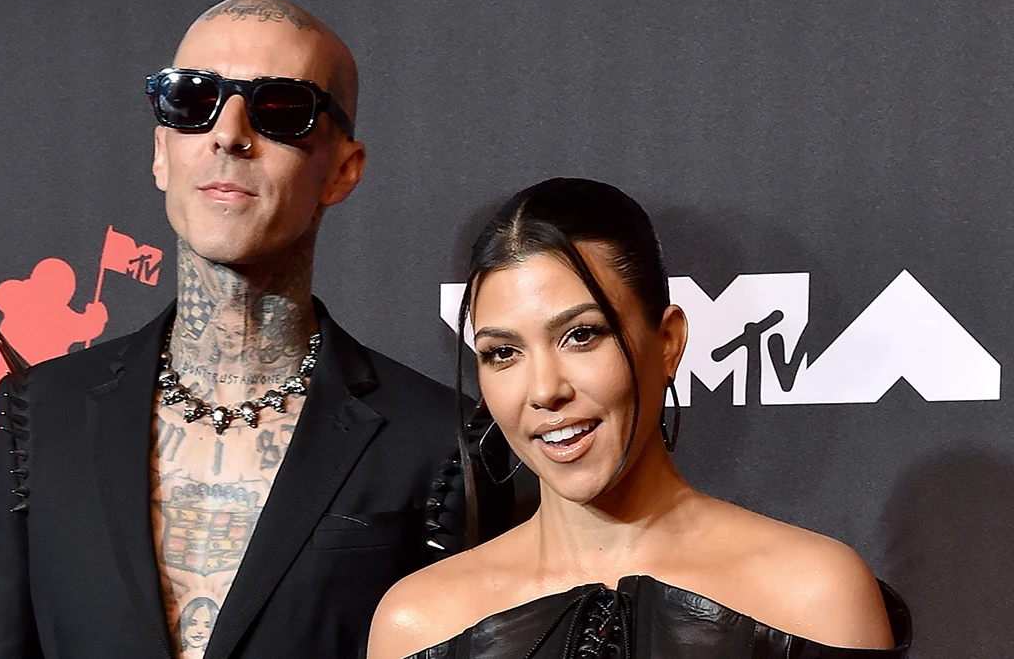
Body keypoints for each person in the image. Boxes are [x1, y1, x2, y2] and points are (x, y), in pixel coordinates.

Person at [0, 0, 505, 659]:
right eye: (192, 99)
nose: (228, 132)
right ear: (162, 152)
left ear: (343, 170)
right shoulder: (41, 412)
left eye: (280, 108)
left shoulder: (440, 438)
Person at [367, 178, 912, 658]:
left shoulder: (814, 595)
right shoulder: (419, 626)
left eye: (582, 335)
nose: (544, 390)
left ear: (668, 341)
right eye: (503, 353)